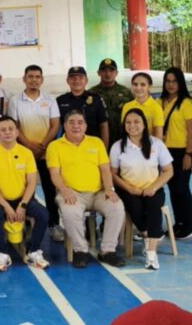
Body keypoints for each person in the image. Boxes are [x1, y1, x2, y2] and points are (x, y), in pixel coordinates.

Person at [47, 110, 126, 268]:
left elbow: (105, 169)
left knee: (117, 208)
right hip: (72, 193)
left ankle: (107, 251)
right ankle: (80, 250)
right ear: (64, 125)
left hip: (98, 192)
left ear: (86, 126)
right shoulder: (55, 146)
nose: (76, 125)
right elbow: (54, 174)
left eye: (80, 122)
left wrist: (109, 189)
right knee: (70, 213)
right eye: (72, 122)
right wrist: (64, 189)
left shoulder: (96, 143)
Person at [110, 109, 174, 270]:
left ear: (144, 125)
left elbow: (168, 170)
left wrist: (154, 187)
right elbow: (113, 174)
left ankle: (151, 253)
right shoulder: (118, 146)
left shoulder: (156, 144)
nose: (132, 126)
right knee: (135, 208)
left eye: (136, 122)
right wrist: (130, 189)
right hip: (128, 190)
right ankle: (149, 234)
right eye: (128, 122)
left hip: (153, 188)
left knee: (153, 207)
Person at [0, 117, 50, 271]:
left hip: (23, 199)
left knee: (43, 214)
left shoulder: (26, 153)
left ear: (17, 132)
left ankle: (33, 251)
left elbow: (32, 182)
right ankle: (3, 254)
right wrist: (6, 206)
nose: (7, 132)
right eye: (3, 130)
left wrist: (23, 205)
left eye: (11, 129)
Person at [6, 65, 63, 241]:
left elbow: (55, 125)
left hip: (46, 153)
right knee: (24, 190)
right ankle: (24, 225)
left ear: (42, 79)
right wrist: (29, 146)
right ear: (24, 79)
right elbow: (14, 126)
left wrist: (43, 145)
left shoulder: (50, 99)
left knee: (49, 190)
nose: (34, 80)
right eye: (30, 77)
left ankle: (54, 225)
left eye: (38, 77)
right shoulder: (15, 100)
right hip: (23, 152)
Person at [158, 67, 192, 239]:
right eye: (168, 81)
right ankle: (178, 223)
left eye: (174, 81)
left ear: (180, 82)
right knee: (173, 188)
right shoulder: (160, 102)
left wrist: (189, 154)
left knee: (182, 188)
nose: (171, 84)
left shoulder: (187, 103)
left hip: (183, 150)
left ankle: (188, 226)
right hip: (165, 151)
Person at [56, 66, 109, 148]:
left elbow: (103, 125)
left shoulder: (96, 99)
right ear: (67, 81)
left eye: (80, 77)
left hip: (92, 147)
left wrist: (104, 149)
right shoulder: (60, 101)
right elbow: (57, 126)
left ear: (86, 80)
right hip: (67, 147)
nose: (77, 80)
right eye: (73, 78)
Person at [90, 58, 133, 148]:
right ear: (98, 73)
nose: (108, 73)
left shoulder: (126, 92)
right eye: (104, 70)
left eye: (111, 70)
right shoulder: (91, 94)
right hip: (98, 139)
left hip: (122, 138)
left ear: (116, 73)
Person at [121, 73, 164, 139]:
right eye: (135, 84)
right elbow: (124, 131)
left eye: (143, 84)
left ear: (149, 87)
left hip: (149, 147)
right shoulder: (127, 106)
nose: (138, 88)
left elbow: (158, 136)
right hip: (130, 147)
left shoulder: (156, 107)